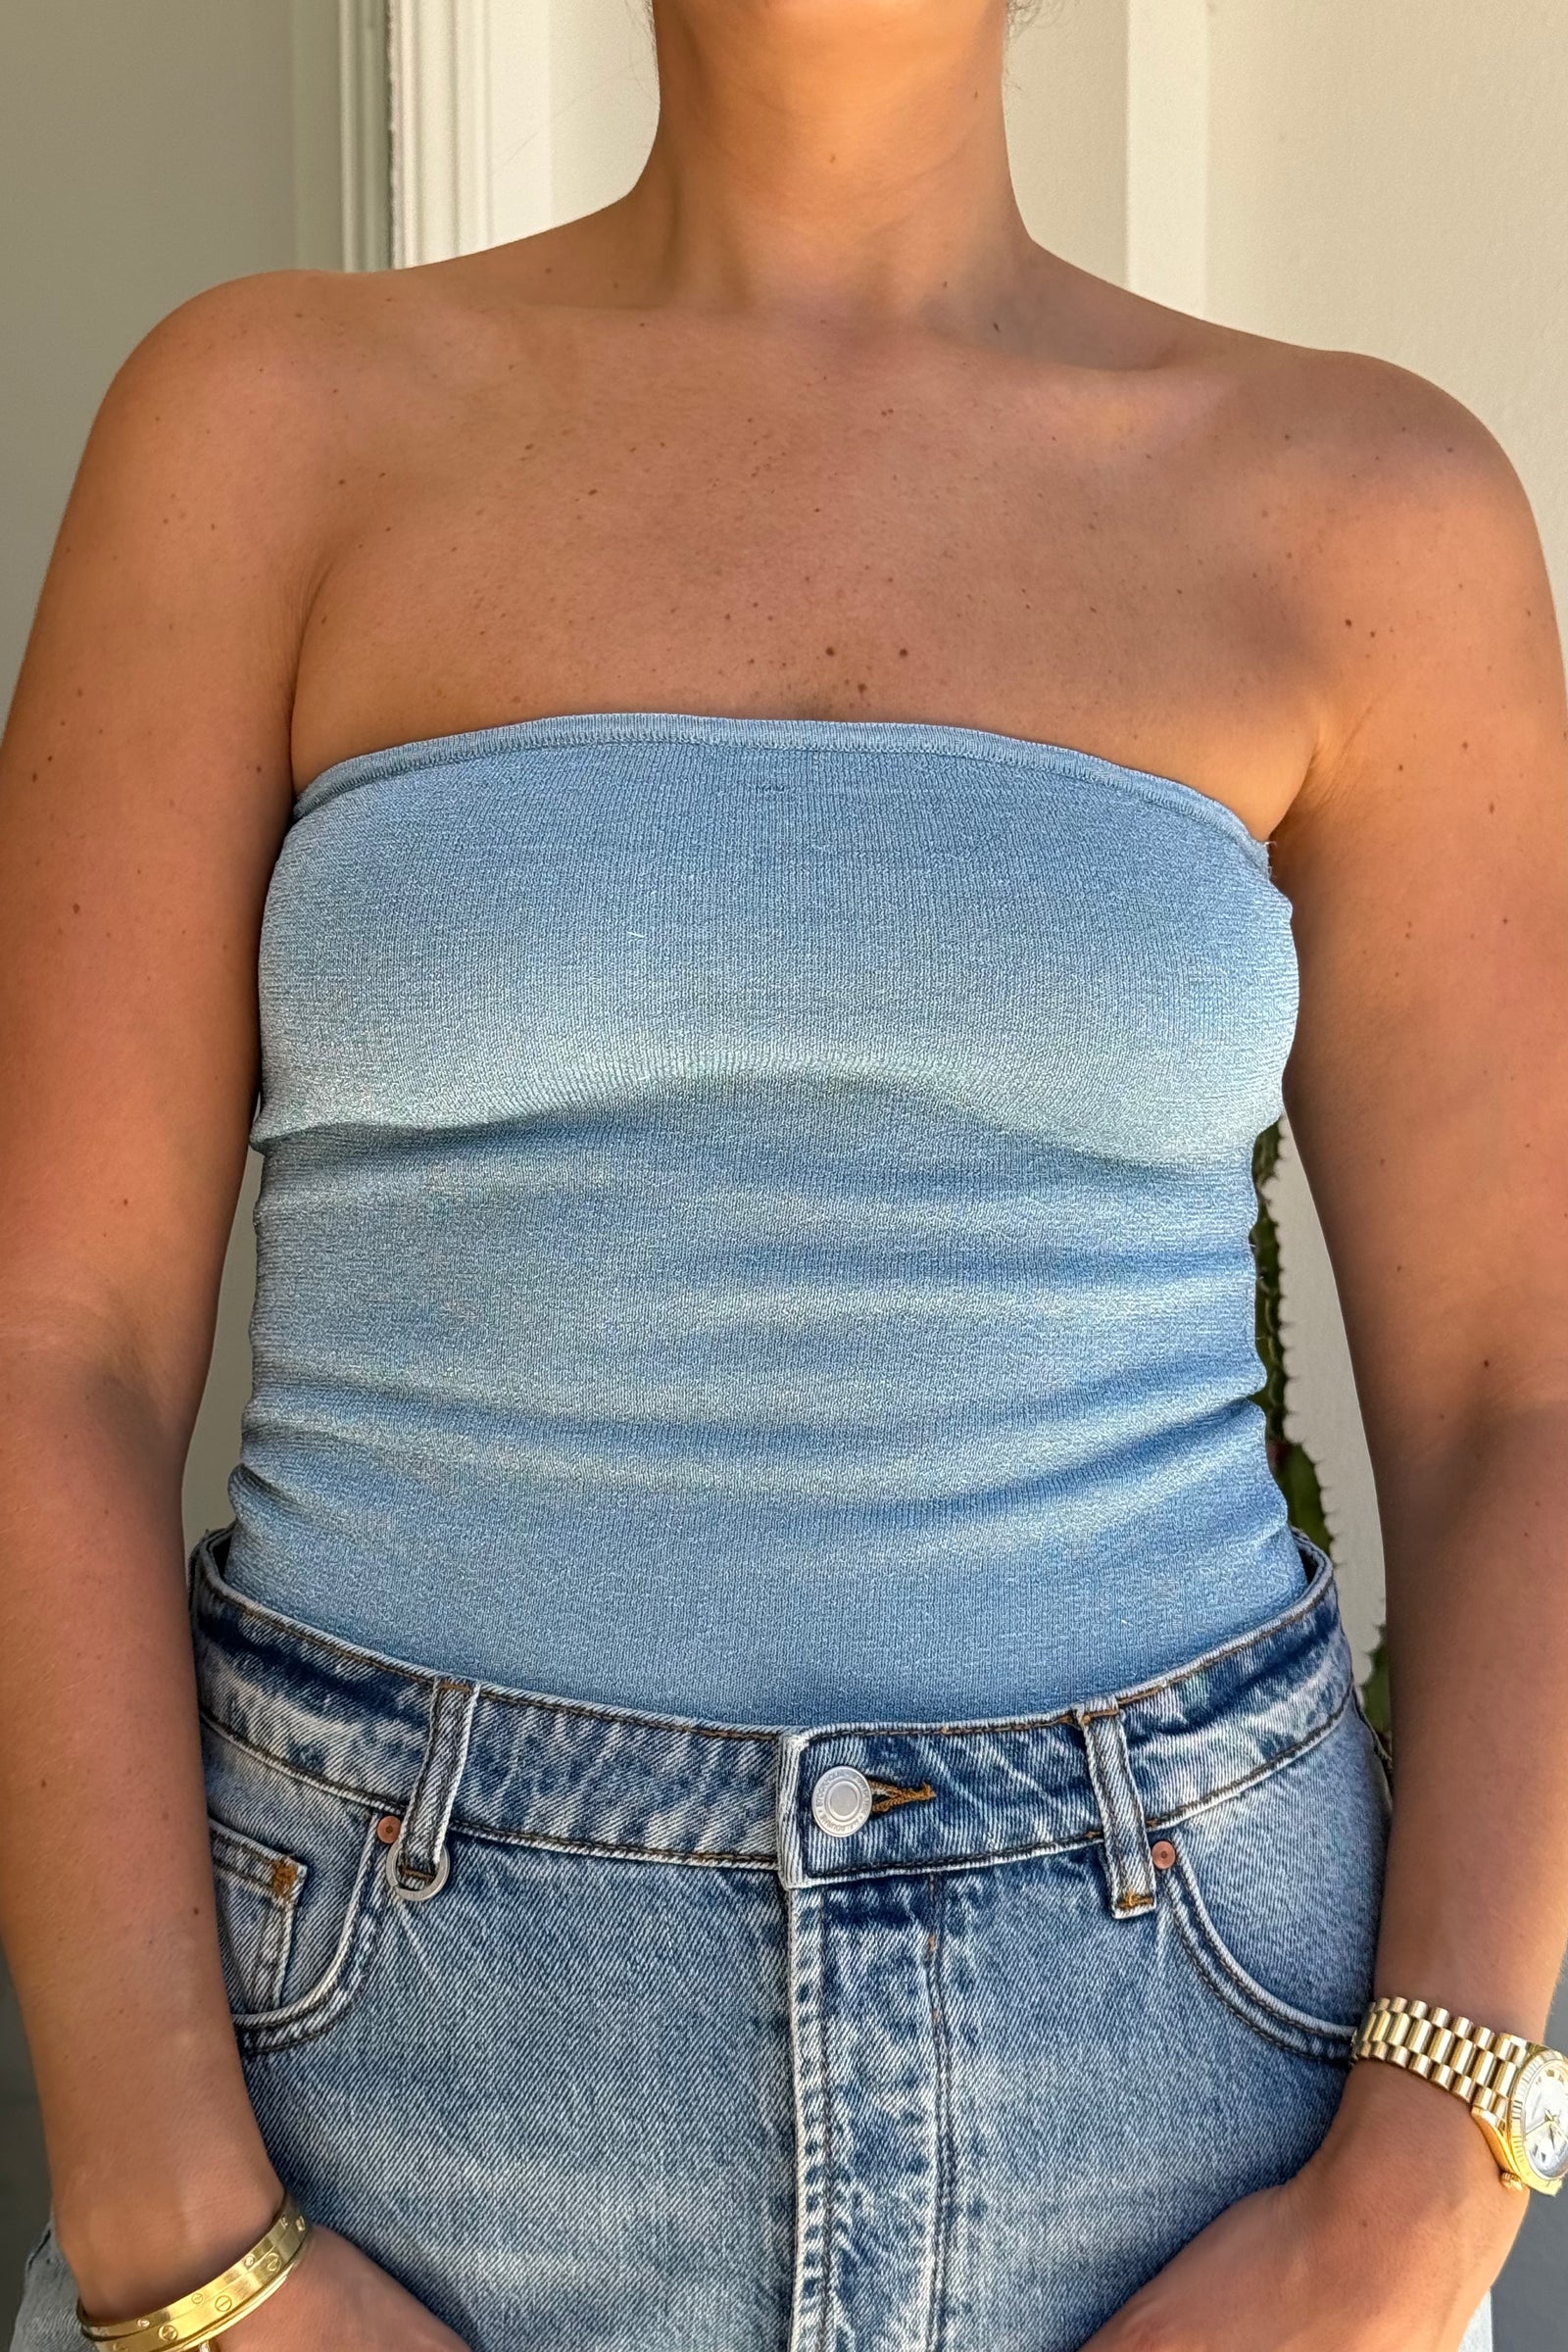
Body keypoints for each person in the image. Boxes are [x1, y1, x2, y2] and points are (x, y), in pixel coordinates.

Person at [2, 2, 1566, 2347]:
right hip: (376, 2108)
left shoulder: (1371, 510)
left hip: (1188, 2100)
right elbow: (50, 1353)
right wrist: (171, 2241)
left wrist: (1429, 2196)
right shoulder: (260, 428)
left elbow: (1515, 1393)